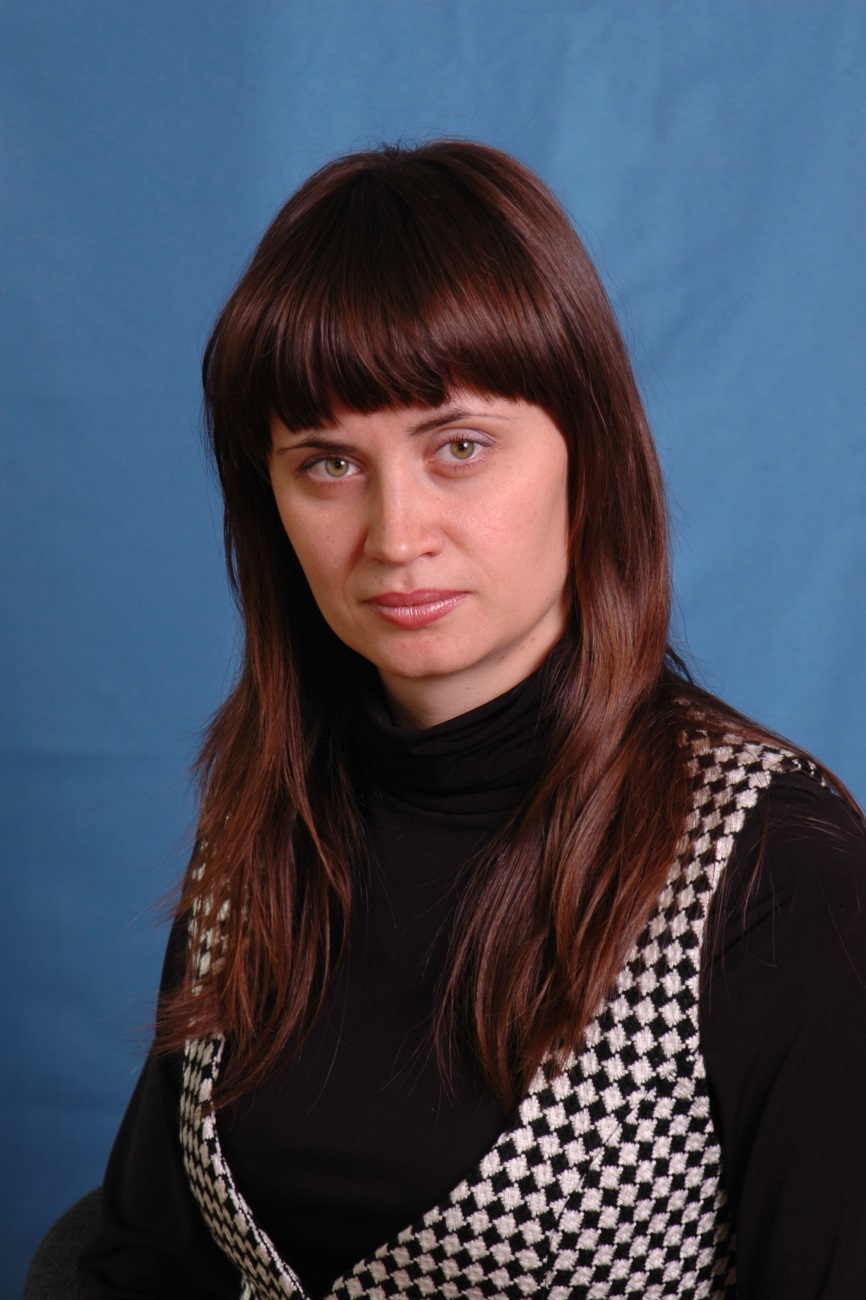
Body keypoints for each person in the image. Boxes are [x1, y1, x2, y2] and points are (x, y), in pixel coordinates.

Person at [78, 141, 866, 1300]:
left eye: (458, 447)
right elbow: (139, 1257)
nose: (396, 535)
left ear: (587, 455)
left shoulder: (775, 870)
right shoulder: (264, 815)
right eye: (327, 464)